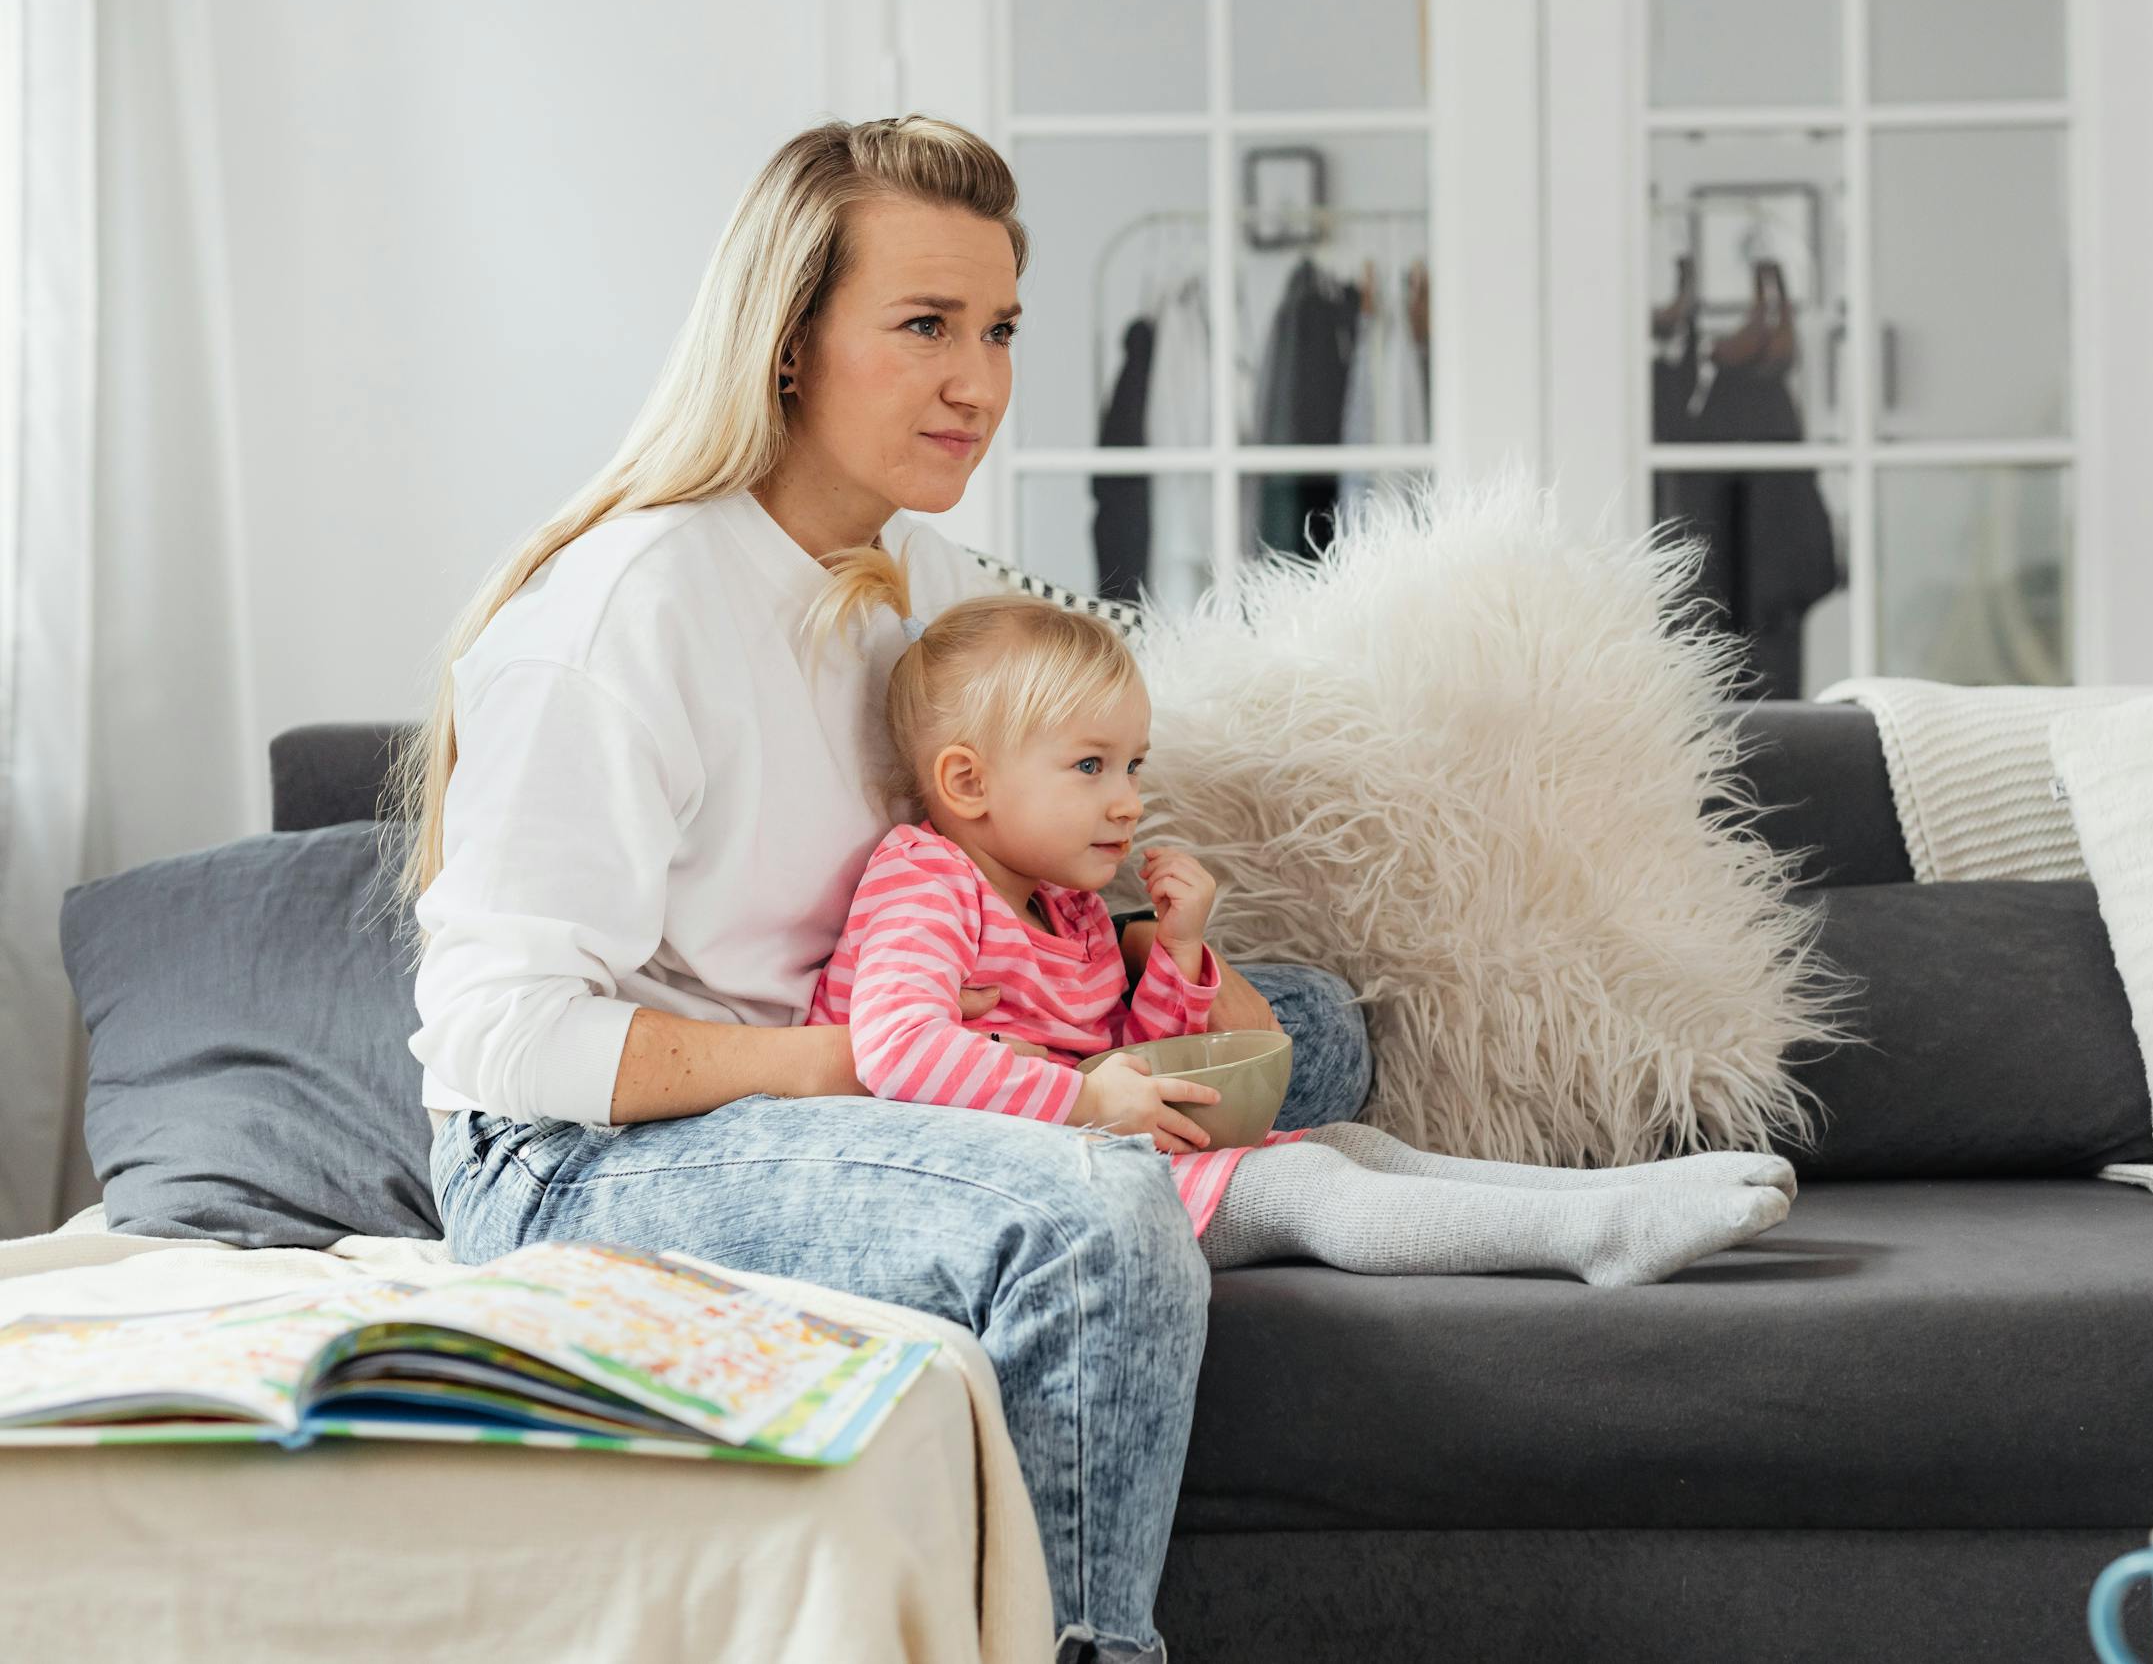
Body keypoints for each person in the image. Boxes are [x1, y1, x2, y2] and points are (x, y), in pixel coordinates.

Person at [390, 115, 1375, 1664]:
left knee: (1316, 1029)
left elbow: (1040, 867)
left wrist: (1168, 973)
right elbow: (493, 1045)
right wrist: (856, 1063)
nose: (976, 381)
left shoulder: (927, 587)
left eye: (996, 330)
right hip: (589, 1153)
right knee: (1100, 1210)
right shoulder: (624, 614)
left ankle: (1204, 1158)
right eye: (922, 326)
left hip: (882, 1060)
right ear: (786, 344)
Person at [800, 566, 1799, 1282]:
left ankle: (1605, 1196)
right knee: (1310, 1189)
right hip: (1000, 1191)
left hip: (1096, 1157)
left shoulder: (1069, 908)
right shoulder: (924, 883)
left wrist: (1181, 953)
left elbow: (1141, 1065)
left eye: (1133, 766)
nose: (1126, 802)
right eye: (1090, 767)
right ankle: (1591, 1240)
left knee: (1346, 1145)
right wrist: (1084, 1105)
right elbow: (895, 1051)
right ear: (967, 783)